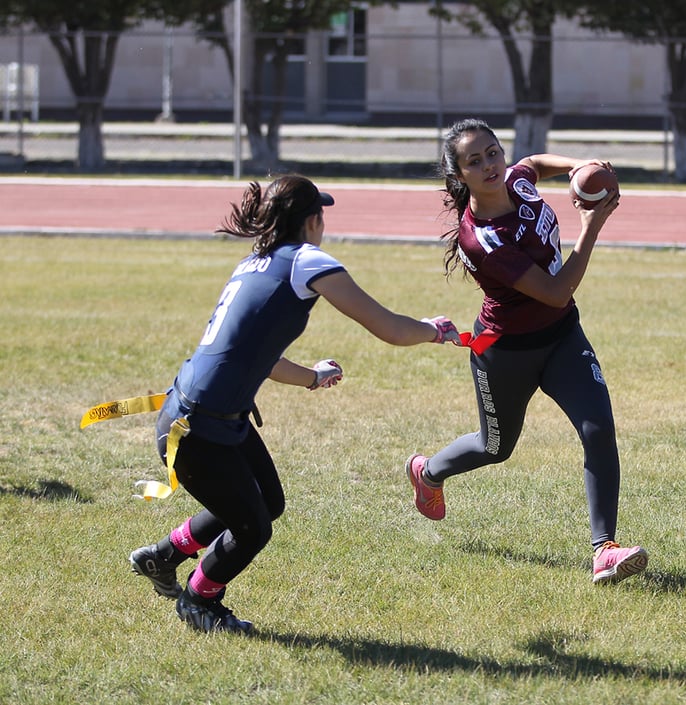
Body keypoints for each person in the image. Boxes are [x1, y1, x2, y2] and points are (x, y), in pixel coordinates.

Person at [129, 174, 462, 634]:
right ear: (311, 221)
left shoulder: (255, 262)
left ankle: (163, 556)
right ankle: (198, 600)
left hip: (197, 415)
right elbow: (386, 326)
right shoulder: (306, 261)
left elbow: (258, 357)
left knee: (266, 502)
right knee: (253, 527)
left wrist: (312, 377)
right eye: (321, 215)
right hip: (200, 428)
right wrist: (432, 329)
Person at [404, 118, 648, 585]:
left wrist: (580, 165)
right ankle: (428, 472)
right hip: (505, 352)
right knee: (495, 447)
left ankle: (604, 550)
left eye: (492, 152)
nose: (489, 165)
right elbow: (556, 291)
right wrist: (592, 224)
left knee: (598, 430)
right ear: (460, 176)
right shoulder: (481, 237)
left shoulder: (515, 177)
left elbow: (532, 164)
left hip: (561, 337)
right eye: (474, 161)